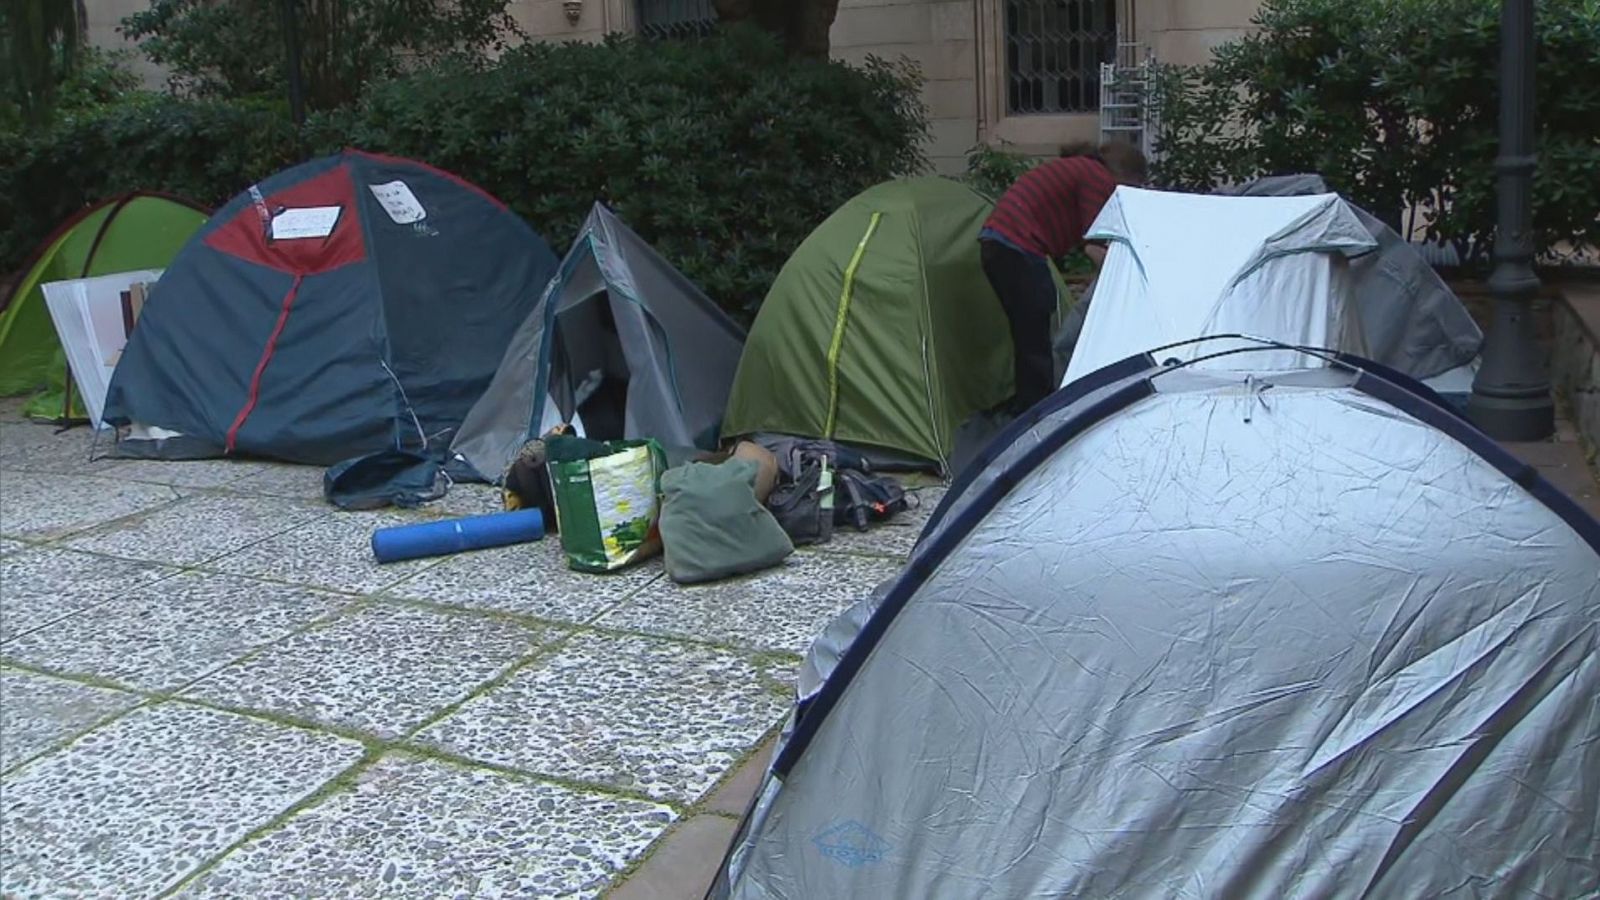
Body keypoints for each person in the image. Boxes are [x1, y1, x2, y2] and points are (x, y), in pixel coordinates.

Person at [979, 140, 1148, 412]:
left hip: (998, 245)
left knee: (1028, 334)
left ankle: (1026, 405)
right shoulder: (1097, 178)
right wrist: (1128, 282)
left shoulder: (1081, 169)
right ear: (1128, 176)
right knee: (1035, 339)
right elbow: (1094, 246)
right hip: (1016, 247)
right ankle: (1037, 415)